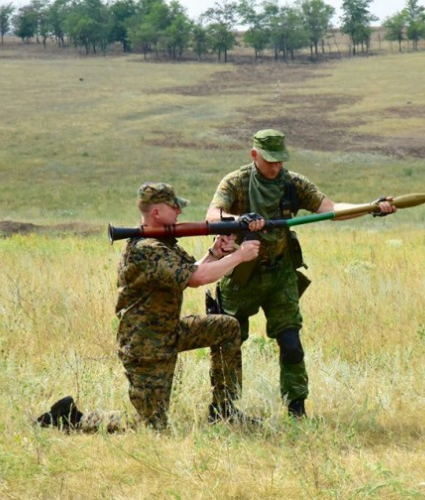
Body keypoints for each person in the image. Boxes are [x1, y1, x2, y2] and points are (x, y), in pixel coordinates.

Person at [36, 182, 261, 432]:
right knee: (151, 426)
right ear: (156, 212)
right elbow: (198, 278)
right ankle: (70, 419)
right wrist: (239, 256)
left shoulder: (162, 244)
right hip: (146, 345)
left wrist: (216, 253)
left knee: (227, 328)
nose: (180, 213)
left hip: (169, 331)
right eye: (174, 207)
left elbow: (189, 273)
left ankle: (224, 410)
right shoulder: (146, 250)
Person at [205, 129, 396, 418]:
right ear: (254, 155)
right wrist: (240, 220)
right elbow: (213, 215)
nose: (276, 166)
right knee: (229, 341)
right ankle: (223, 408)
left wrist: (371, 207)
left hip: (280, 274)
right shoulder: (236, 182)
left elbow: (331, 209)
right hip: (241, 272)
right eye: (270, 160)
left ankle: (296, 409)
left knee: (291, 343)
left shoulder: (293, 184)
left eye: (280, 160)